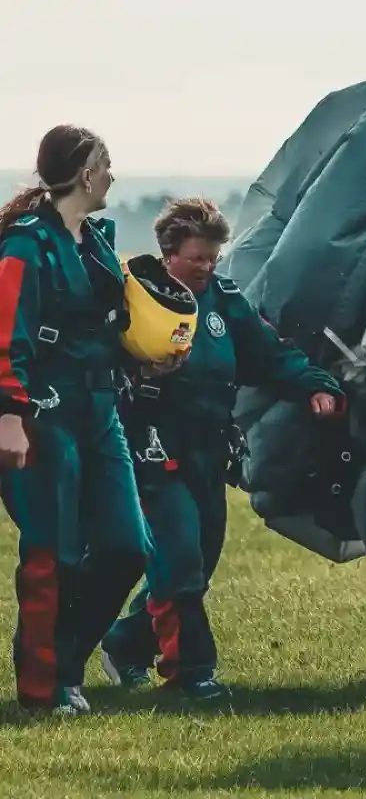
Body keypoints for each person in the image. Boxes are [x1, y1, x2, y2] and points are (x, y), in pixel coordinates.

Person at [100, 197, 345, 700]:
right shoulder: (128, 298)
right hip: (151, 451)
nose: (207, 267)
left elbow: (270, 355)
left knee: (200, 561)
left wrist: (316, 386)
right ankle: (191, 675)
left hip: (209, 454)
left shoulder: (223, 301)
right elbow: (96, 367)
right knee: (180, 557)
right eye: (197, 258)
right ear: (169, 254)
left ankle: (125, 644)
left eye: (213, 257)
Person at [0, 125, 155, 715]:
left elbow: (106, 331)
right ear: (85, 174)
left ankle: (66, 663)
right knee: (52, 553)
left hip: (101, 412)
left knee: (127, 548)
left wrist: (149, 363)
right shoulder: (24, 247)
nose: (113, 174)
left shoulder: (96, 244)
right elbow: (5, 335)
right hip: (42, 414)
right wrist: (9, 414)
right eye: (106, 164)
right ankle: (44, 688)